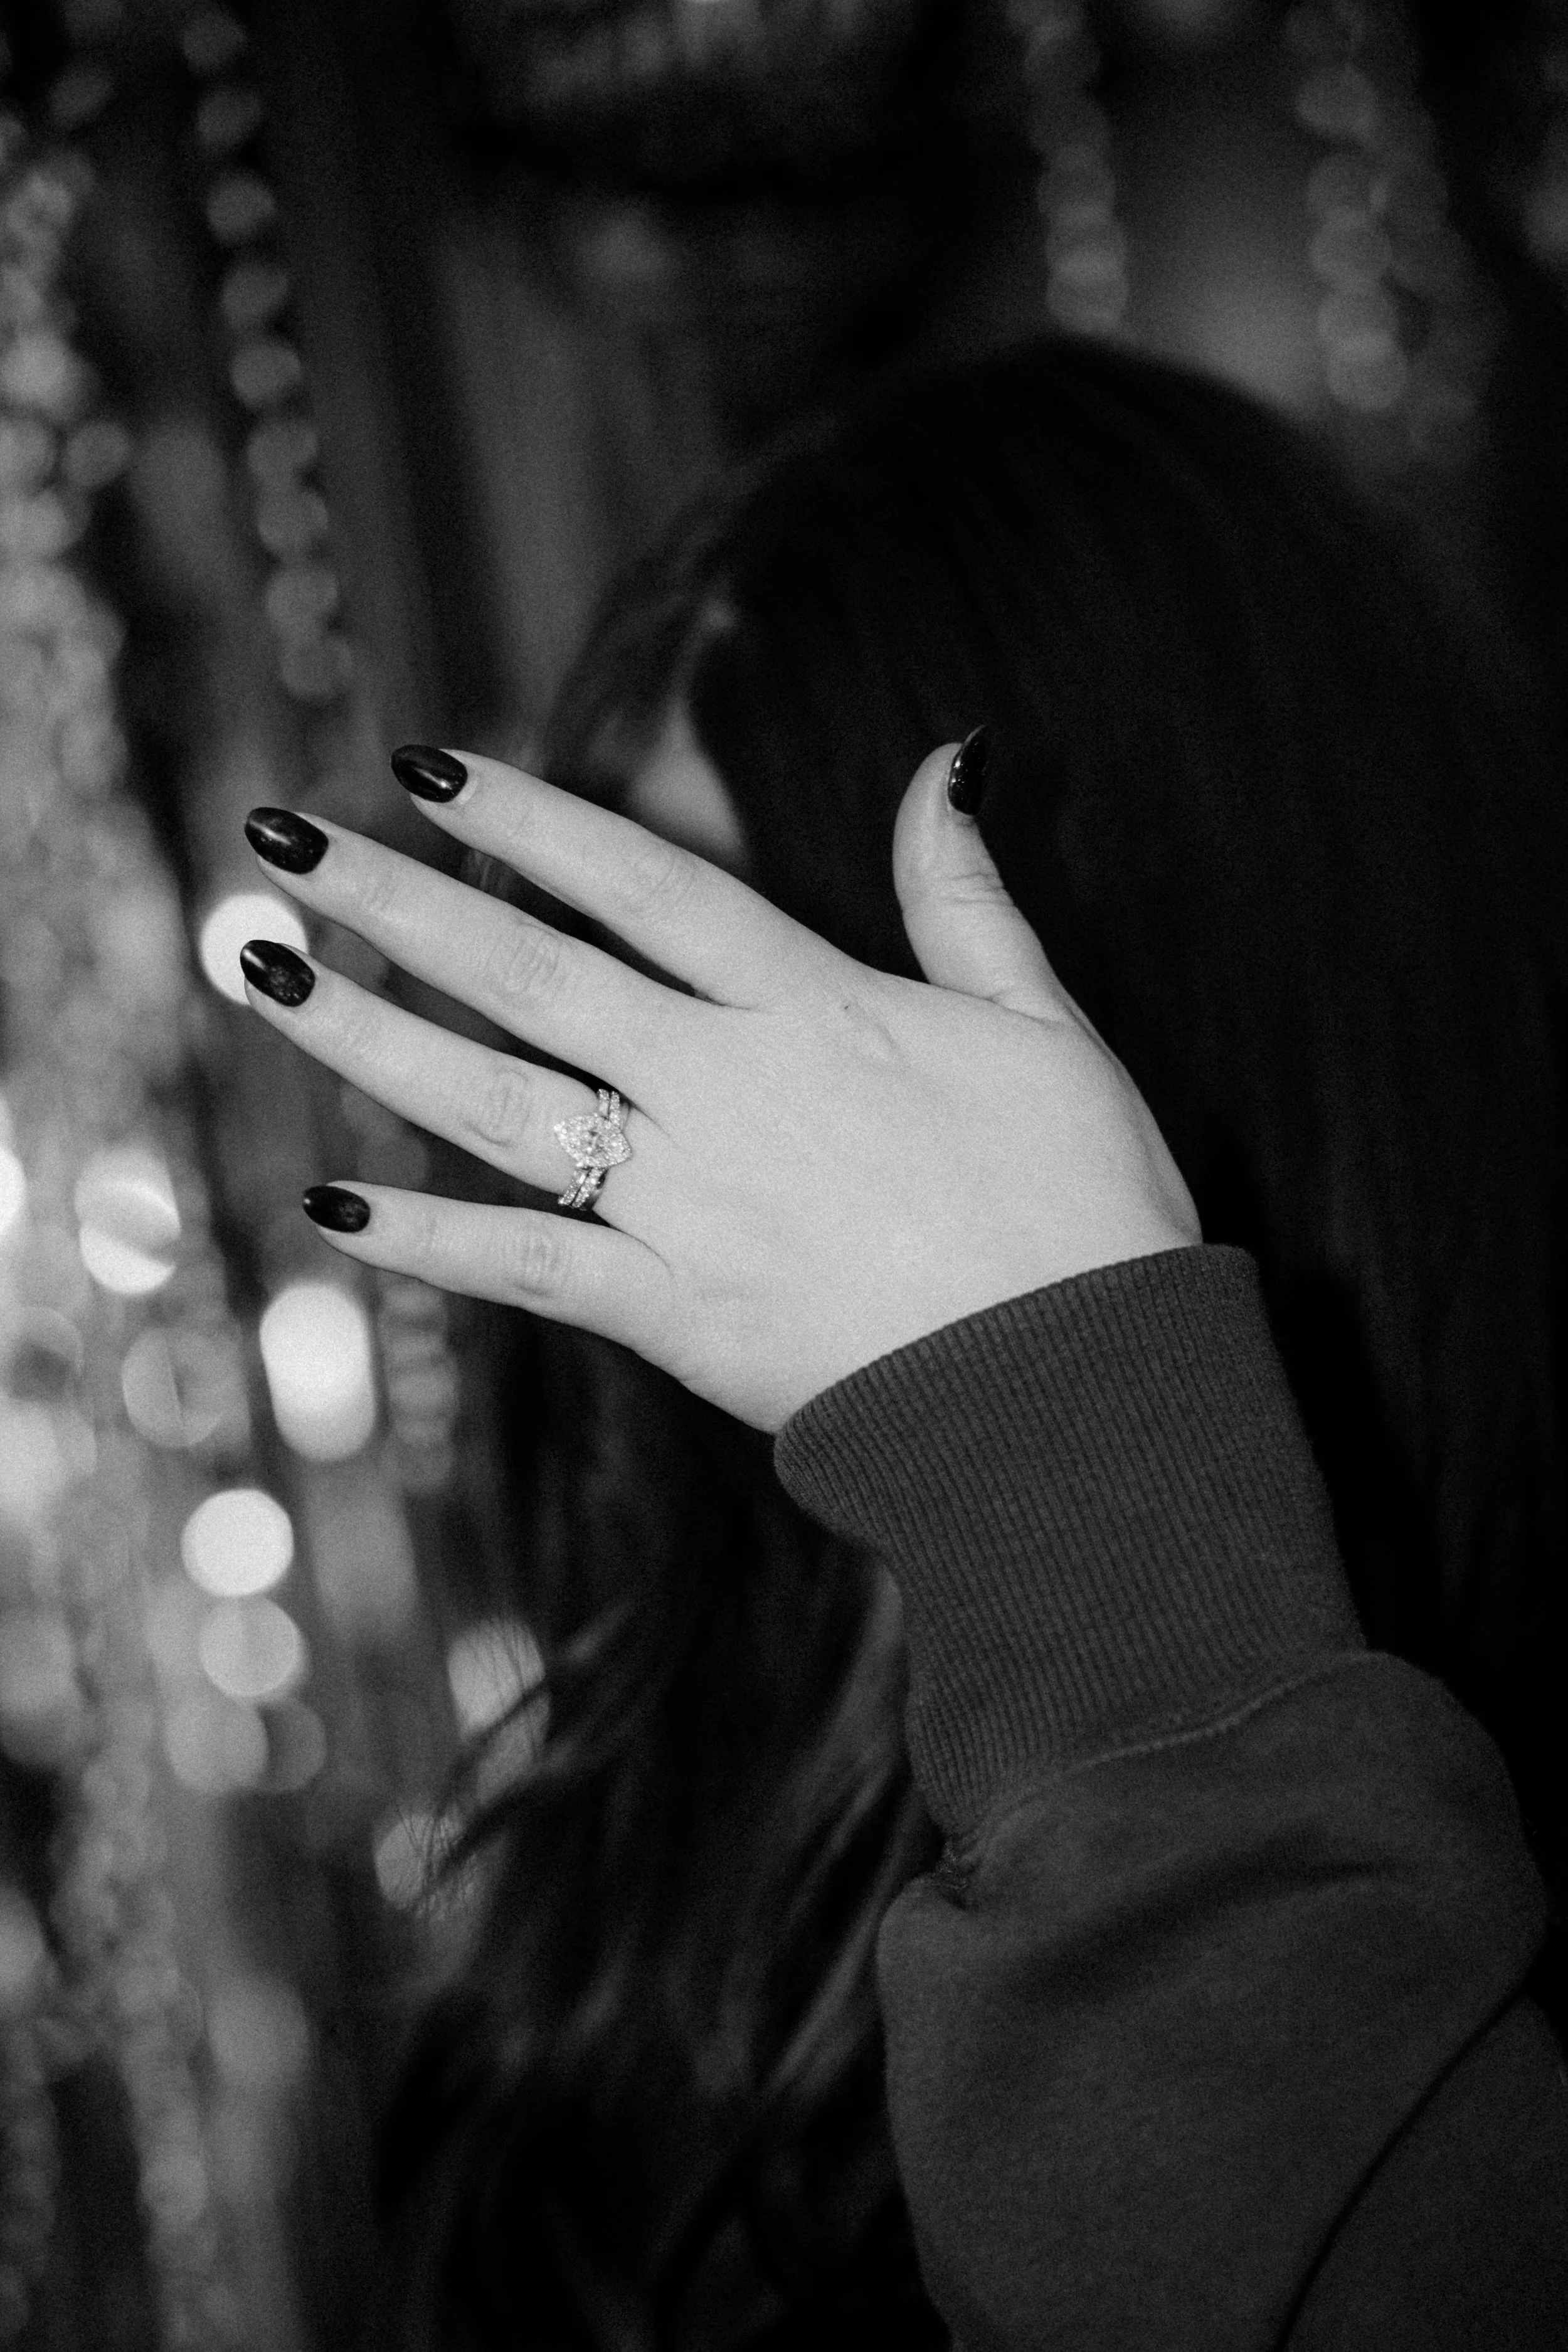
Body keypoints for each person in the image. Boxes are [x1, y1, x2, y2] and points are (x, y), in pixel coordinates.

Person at [235, 338, 1568, 2348]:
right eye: (640, 980)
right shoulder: (681, 1713)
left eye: (825, 993)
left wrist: (1069, 1452)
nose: (702, 1124)